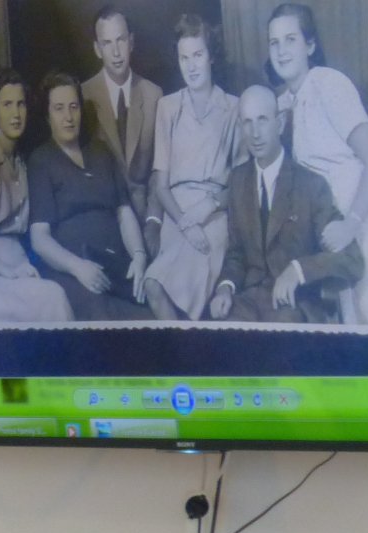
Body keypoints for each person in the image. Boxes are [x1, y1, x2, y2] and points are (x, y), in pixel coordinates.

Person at [267, 2, 368, 327]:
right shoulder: (282, 104)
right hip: (327, 233)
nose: (281, 51)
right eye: (274, 42)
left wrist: (352, 224)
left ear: (310, 45)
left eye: (291, 39)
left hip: (362, 218)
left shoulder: (329, 84)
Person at [208, 85, 364, 324]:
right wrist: (225, 288)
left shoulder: (310, 185)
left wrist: (298, 270)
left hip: (295, 305)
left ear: (280, 123)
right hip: (247, 302)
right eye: (247, 122)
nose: (255, 133)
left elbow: (352, 260)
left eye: (263, 120)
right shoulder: (238, 180)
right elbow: (236, 252)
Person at [141, 16, 240, 321]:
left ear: (211, 56)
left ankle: (188, 346)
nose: (191, 66)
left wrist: (207, 208)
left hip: (214, 215)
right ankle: (184, 348)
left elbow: (241, 184)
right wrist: (185, 222)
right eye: (184, 58)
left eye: (198, 55)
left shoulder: (233, 108)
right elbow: (160, 185)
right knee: (153, 285)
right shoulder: (168, 107)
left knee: (178, 292)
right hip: (176, 215)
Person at [29, 73, 149, 321]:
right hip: (73, 273)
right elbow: (39, 238)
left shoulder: (101, 151)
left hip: (116, 267)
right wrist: (78, 268)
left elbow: (124, 212)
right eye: (59, 108)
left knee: (149, 317)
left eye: (73, 107)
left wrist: (139, 255)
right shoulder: (41, 161)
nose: (68, 116)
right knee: (102, 317)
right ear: (47, 116)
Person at [0, 68, 75, 326]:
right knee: (53, 297)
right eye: (7, 105)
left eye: (21, 104)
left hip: (19, 264)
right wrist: (10, 272)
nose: (16, 114)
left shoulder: (21, 160)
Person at [81, 7, 163, 229]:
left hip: (146, 215)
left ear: (132, 42)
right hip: (104, 215)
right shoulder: (83, 97)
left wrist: (153, 220)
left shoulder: (154, 95)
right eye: (107, 43)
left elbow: (160, 170)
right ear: (97, 49)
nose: (116, 52)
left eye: (121, 40)